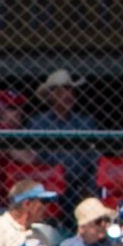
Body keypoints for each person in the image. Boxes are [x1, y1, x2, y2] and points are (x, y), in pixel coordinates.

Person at [33, 67, 96, 198]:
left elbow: (94, 158)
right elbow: (34, 158)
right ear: (51, 95)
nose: (68, 96)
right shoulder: (39, 124)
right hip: (48, 184)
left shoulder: (84, 123)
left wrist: (90, 187)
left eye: (71, 91)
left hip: (80, 185)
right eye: (61, 92)